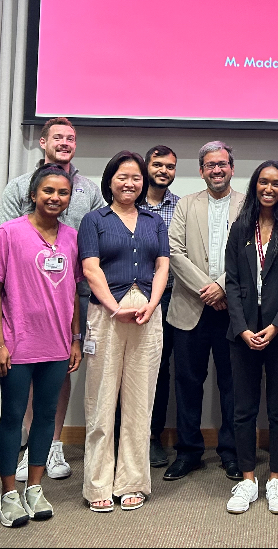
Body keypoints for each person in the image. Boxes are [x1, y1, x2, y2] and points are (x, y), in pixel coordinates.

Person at [0, 117, 105, 483]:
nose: (64, 142)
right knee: (23, 377)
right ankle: (30, 446)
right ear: (42, 142)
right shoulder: (17, 187)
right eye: (57, 137)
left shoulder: (89, 190)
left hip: (72, 299)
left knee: (58, 373)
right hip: (23, 303)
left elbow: (101, 232)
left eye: (71, 138)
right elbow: (7, 245)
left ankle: (53, 443)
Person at [0, 164, 83, 527]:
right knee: (12, 417)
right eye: (49, 192)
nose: (55, 198)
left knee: (45, 417)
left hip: (56, 345)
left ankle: (35, 489)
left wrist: (75, 339)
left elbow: (74, 290)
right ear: (33, 195)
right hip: (17, 344)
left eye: (63, 193)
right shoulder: (9, 233)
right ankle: (9, 492)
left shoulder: (72, 237)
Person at [78, 151, 170, 512]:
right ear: (110, 181)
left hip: (148, 313)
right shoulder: (93, 219)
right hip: (107, 314)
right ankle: (97, 483)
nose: (129, 183)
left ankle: (132, 481)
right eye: (122, 177)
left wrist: (151, 303)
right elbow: (90, 268)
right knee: (100, 402)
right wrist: (115, 307)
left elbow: (162, 265)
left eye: (135, 177)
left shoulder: (154, 221)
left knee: (139, 404)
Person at [224, 161, 278, 515]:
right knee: (242, 410)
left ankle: (275, 479)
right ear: (255, 185)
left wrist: (275, 326)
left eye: (276, 183)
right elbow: (230, 280)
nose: (269, 189)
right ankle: (247, 480)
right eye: (263, 182)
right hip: (242, 333)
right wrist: (243, 327)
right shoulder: (241, 225)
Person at [164, 142, 244, 482]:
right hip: (189, 308)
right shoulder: (185, 204)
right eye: (210, 165)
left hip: (233, 309)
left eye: (222, 164)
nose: (217, 170)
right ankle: (189, 451)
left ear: (231, 167)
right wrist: (208, 290)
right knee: (187, 382)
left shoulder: (247, 203)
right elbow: (174, 251)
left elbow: (249, 251)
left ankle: (230, 451)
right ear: (201, 170)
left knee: (232, 384)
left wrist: (223, 287)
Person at [143, 145, 181, 469]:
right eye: (158, 164)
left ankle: (153, 437)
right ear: (147, 166)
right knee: (122, 368)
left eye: (169, 166)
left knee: (159, 369)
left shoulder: (179, 208)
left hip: (167, 298)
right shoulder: (124, 201)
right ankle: (120, 435)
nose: (163, 171)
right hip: (123, 297)